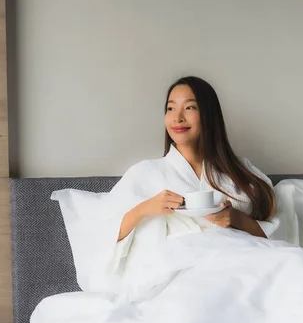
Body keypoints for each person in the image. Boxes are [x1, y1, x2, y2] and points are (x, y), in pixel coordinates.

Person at [114, 76, 280, 245]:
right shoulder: (145, 172)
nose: (177, 117)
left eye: (190, 107)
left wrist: (238, 219)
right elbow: (102, 234)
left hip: (243, 257)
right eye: (171, 108)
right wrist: (143, 209)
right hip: (179, 262)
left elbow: (278, 237)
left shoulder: (240, 170)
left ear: (209, 114)